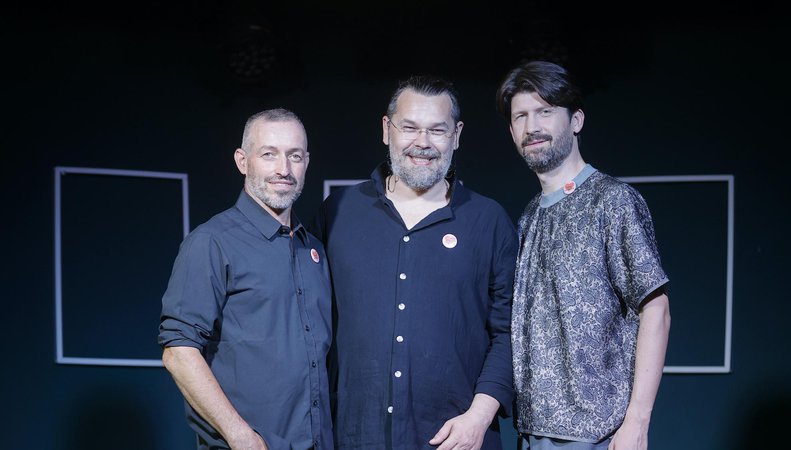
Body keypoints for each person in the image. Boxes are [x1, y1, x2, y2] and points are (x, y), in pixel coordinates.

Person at [312, 76, 518, 450]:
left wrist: (479, 417)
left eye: (436, 130)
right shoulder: (339, 213)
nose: (422, 143)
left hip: (458, 440)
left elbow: (509, 334)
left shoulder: (489, 222)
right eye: (409, 128)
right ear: (386, 130)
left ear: (456, 135)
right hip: (355, 437)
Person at [495, 60, 671, 450]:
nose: (532, 126)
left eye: (545, 112)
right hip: (530, 434)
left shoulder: (612, 201)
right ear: (511, 131)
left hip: (597, 435)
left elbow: (655, 309)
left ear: (576, 120)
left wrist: (637, 423)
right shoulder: (527, 217)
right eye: (520, 116)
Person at [158, 108, 333, 450]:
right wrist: (240, 436)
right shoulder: (212, 242)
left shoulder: (313, 250)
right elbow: (178, 352)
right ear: (242, 160)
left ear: (306, 162)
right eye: (269, 154)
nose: (283, 169)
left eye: (294, 156)